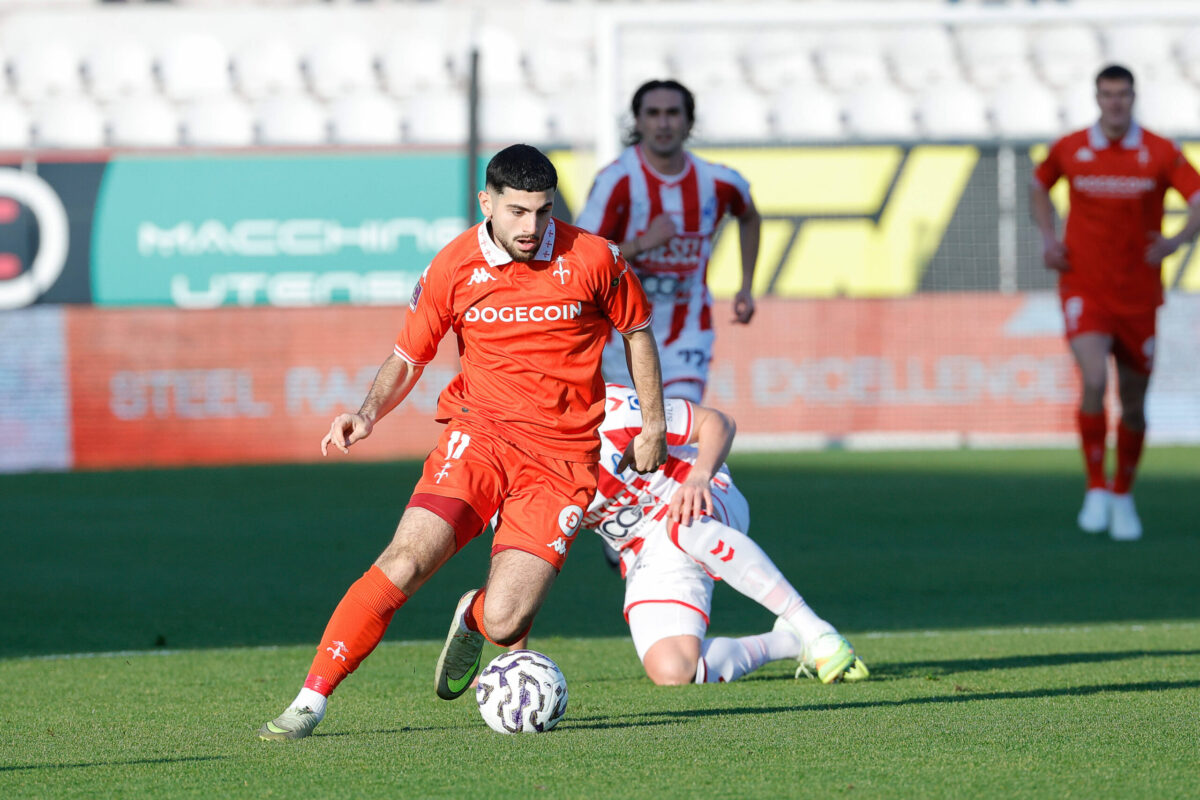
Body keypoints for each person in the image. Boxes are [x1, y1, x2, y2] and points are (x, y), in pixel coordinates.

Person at [257, 144, 668, 741]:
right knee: (405, 560)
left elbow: (638, 331)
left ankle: (473, 616)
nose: (532, 227)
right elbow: (407, 357)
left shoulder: (595, 258)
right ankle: (309, 701)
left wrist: (652, 424)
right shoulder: (453, 267)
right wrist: (367, 413)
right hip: (480, 437)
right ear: (488, 203)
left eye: (543, 212)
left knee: (507, 620)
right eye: (518, 212)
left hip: (564, 459)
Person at [576, 384, 867, 685]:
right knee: (673, 670)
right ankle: (789, 642)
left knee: (683, 524)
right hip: (643, 549)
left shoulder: (613, 409)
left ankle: (814, 629)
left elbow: (717, 422)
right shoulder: (531, 471)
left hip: (700, 496)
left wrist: (699, 477)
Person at [1031, 64, 1200, 541]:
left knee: (1133, 403)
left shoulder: (1160, 152)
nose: (1115, 103)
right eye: (1107, 94)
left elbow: (1198, 197)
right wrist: (1048, 237)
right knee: (1094, 377)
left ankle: (1123, 493)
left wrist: (1177, 240)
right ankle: (1095, 488)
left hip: (1139, 295)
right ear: (1097, 98)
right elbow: (1038, 184)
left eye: (1122, 94)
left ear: (1133, 97)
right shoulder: (1070, 148)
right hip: (1084, 286)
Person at [575, 79, 762, 404]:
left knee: (678, 425)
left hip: (687, 333)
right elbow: (581, 256)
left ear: (689, 122)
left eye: (673, 113)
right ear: (638, 121)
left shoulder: (717, 182)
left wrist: (746, 285)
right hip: (620, 338)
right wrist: (643, 244)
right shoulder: (616, 181)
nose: (663, 123)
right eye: (653, 113)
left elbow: (749, 216)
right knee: (630, 440)